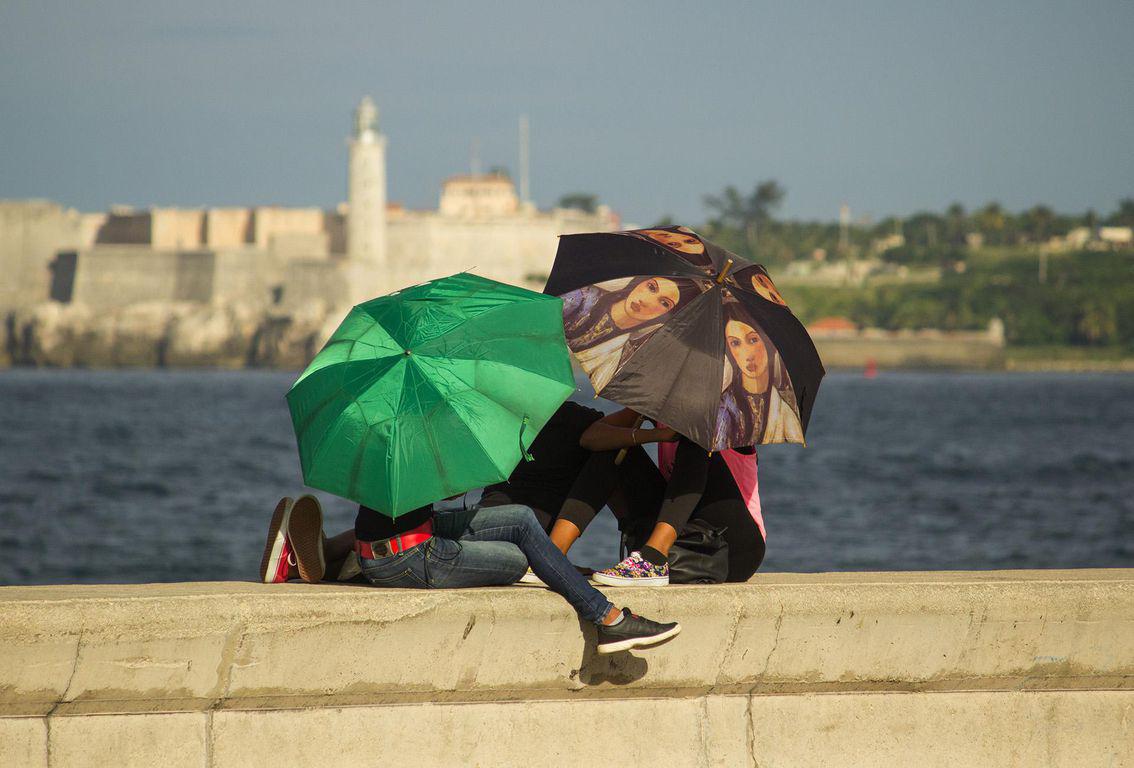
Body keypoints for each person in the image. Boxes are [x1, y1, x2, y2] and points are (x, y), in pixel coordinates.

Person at [259, 483, 683, 654]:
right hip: (410, 558)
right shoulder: (420, 436)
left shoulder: (390, 426)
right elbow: (452, 488)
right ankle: (606, 616)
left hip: (389, 541)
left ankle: (314, 559)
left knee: (518, 519)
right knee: (520, 558)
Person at [560, 411, 768, 586]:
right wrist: (657, 434)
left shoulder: (731, 412)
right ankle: (552, 556)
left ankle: (653, 560)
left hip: (734, 548)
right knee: (610, 447)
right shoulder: (660, 406)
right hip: (682, 538)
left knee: (695, 433)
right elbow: (589, 438)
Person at [562, 276, 704, 392]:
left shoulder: (629, 357)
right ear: (639, 282)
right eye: (651, 287)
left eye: (665, 303)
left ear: (669, 315)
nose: (646, 301)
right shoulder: (580, 298)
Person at [715, 301, 804, 449]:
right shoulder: (724, 409)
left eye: (753, 340)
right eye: (735, 343)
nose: (747, 355)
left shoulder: (786, 412)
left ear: (769, 342)